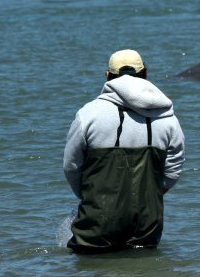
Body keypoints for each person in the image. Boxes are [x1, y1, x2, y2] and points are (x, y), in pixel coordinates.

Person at [63, 49, 185, 253]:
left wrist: (91, 197)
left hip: (96, 223)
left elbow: (71, 167)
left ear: (107, 76)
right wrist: (149, 196)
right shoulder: (167, 118)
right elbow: (173, 171)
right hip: (147, 225)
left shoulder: (89, 114)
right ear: (145, 74)